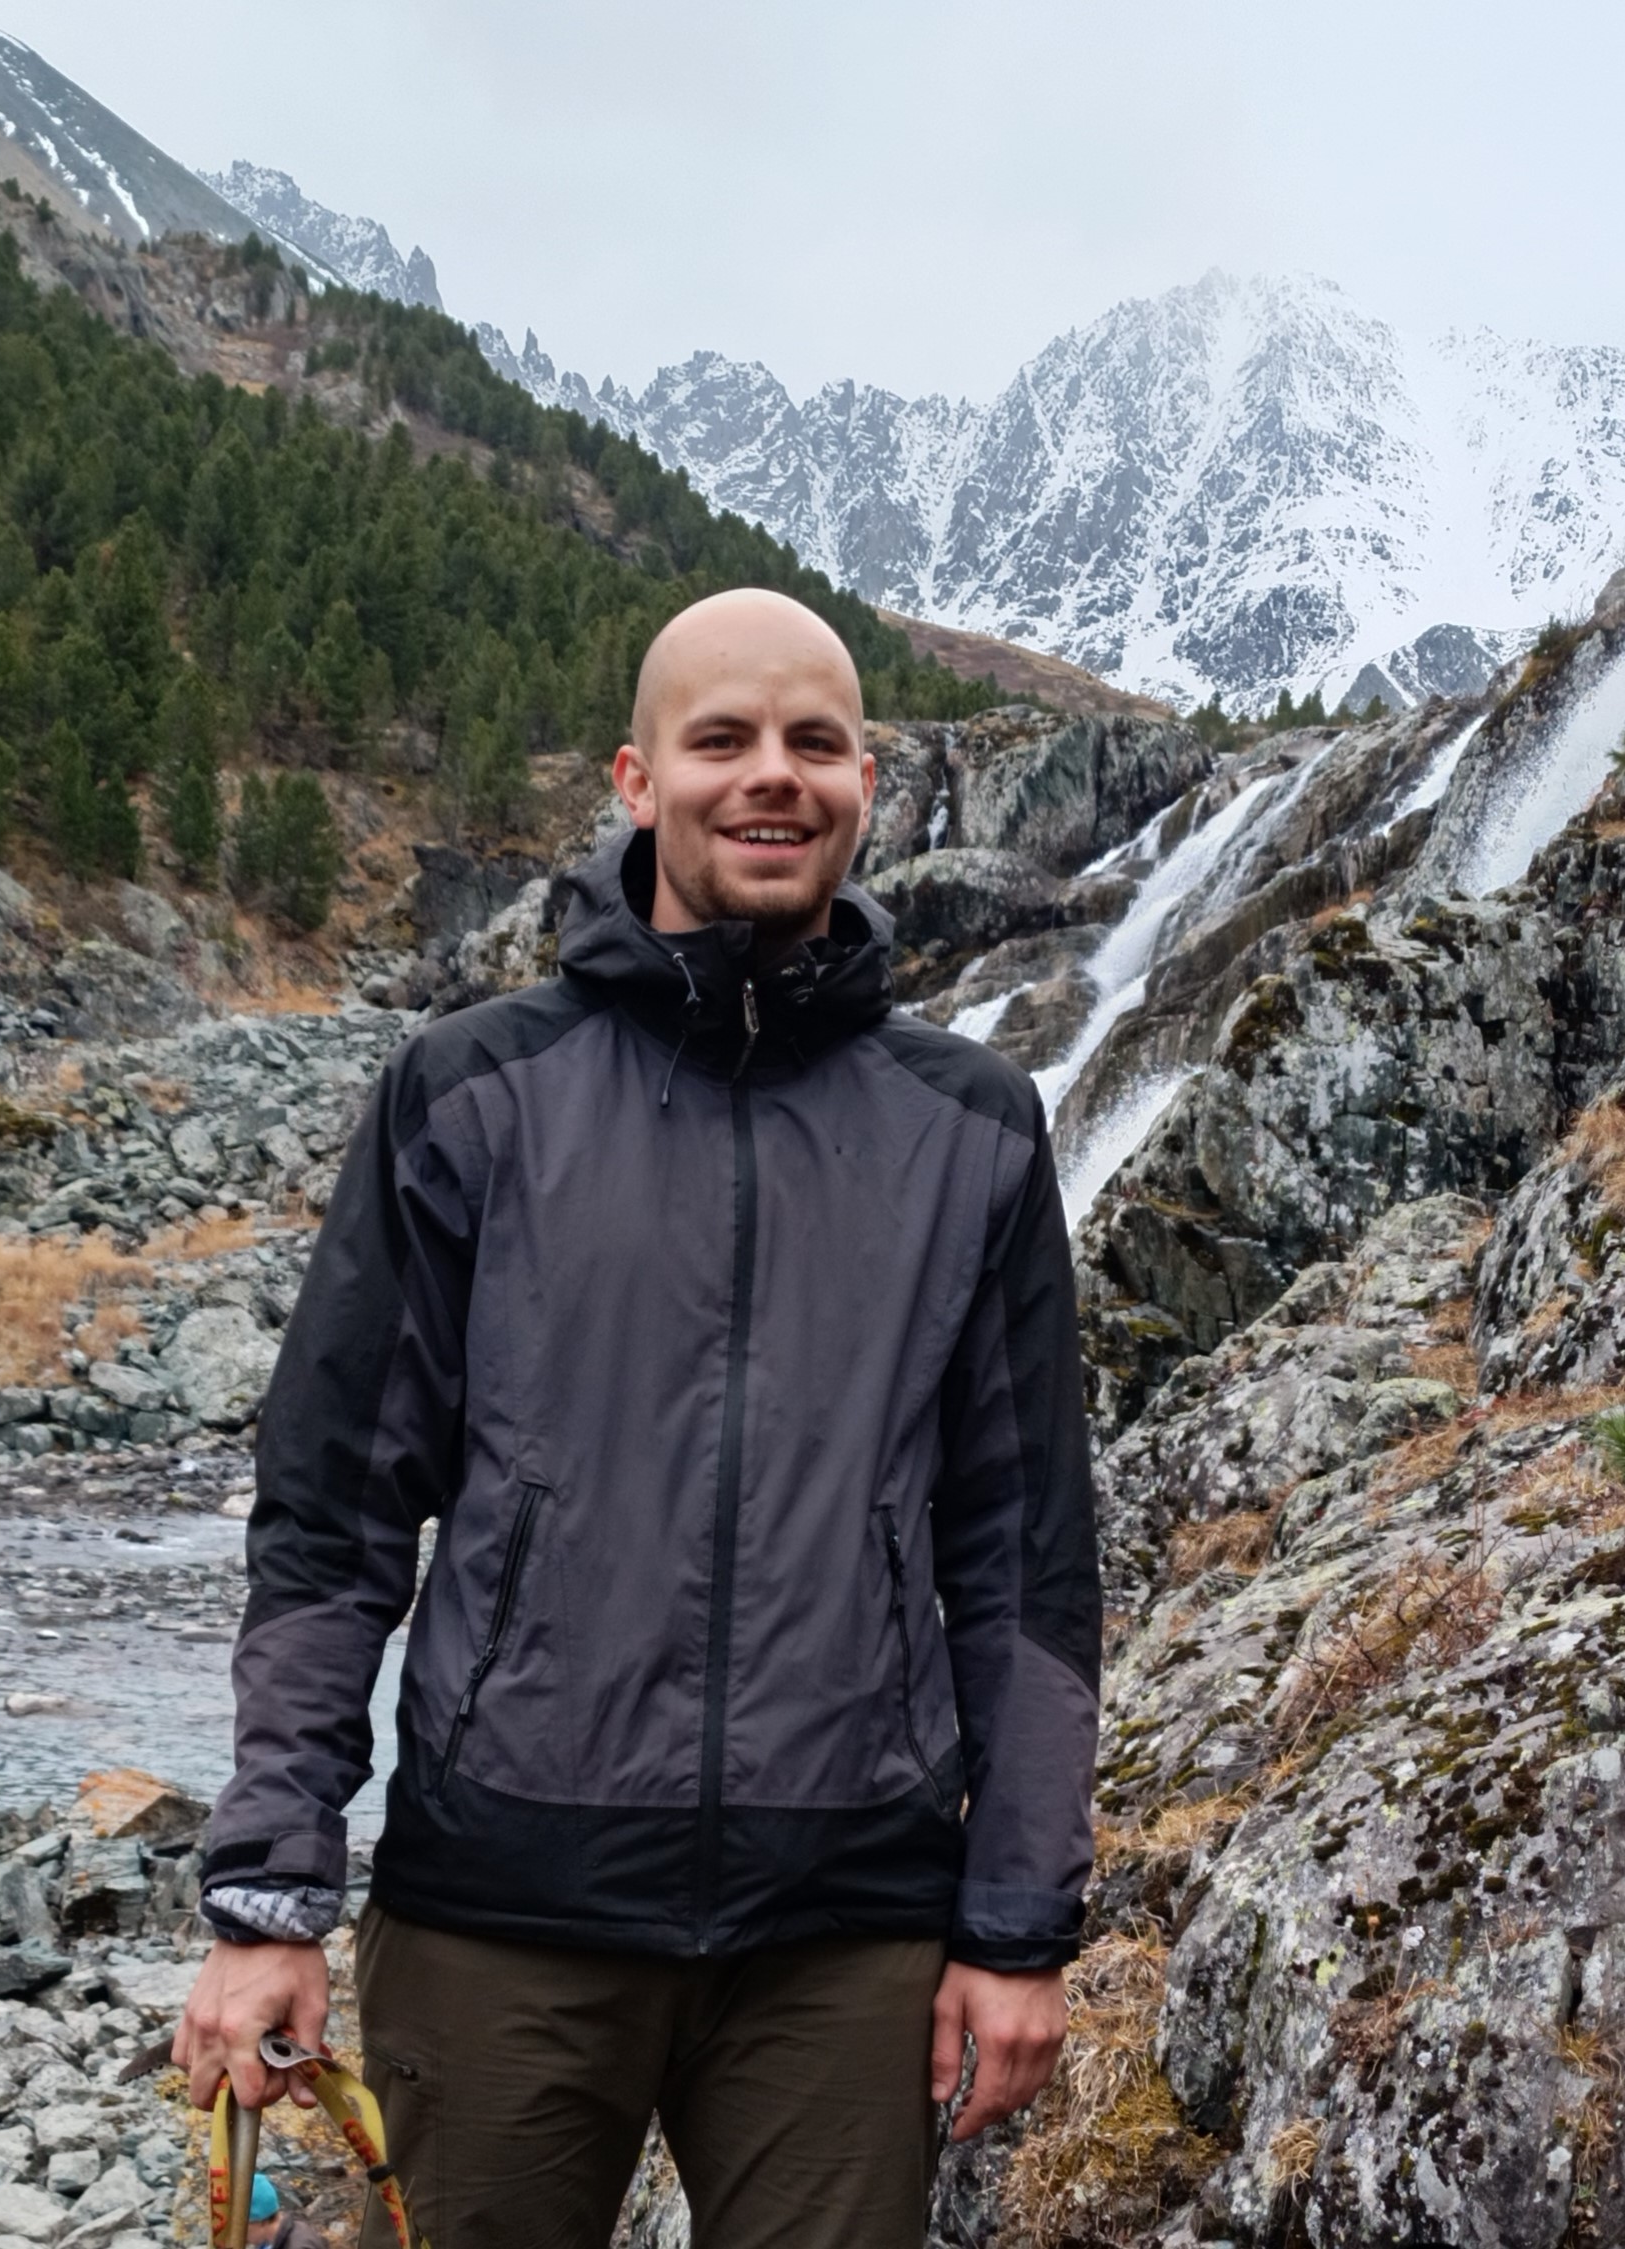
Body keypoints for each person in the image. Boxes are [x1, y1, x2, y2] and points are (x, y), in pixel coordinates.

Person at [173, 588, 1101, 2249]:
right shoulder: (470, 1092)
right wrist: (269, 1893)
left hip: (846, 1932)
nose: (772, 774)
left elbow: (1024, 1553)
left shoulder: (971, 1127)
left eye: (815, 741)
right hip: (501, 1913)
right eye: (722, 737)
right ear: (637, 776)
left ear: (868, 779)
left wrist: (1017, 1922)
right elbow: (332, 1515)